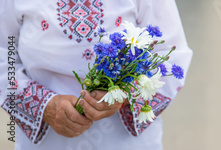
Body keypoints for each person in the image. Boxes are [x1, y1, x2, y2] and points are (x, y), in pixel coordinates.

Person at [0, 0, 193, 149]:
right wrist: (45, 106)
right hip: (47, 141)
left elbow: (172, 53)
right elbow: (3, 55)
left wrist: (125, 96)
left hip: (126, 142)